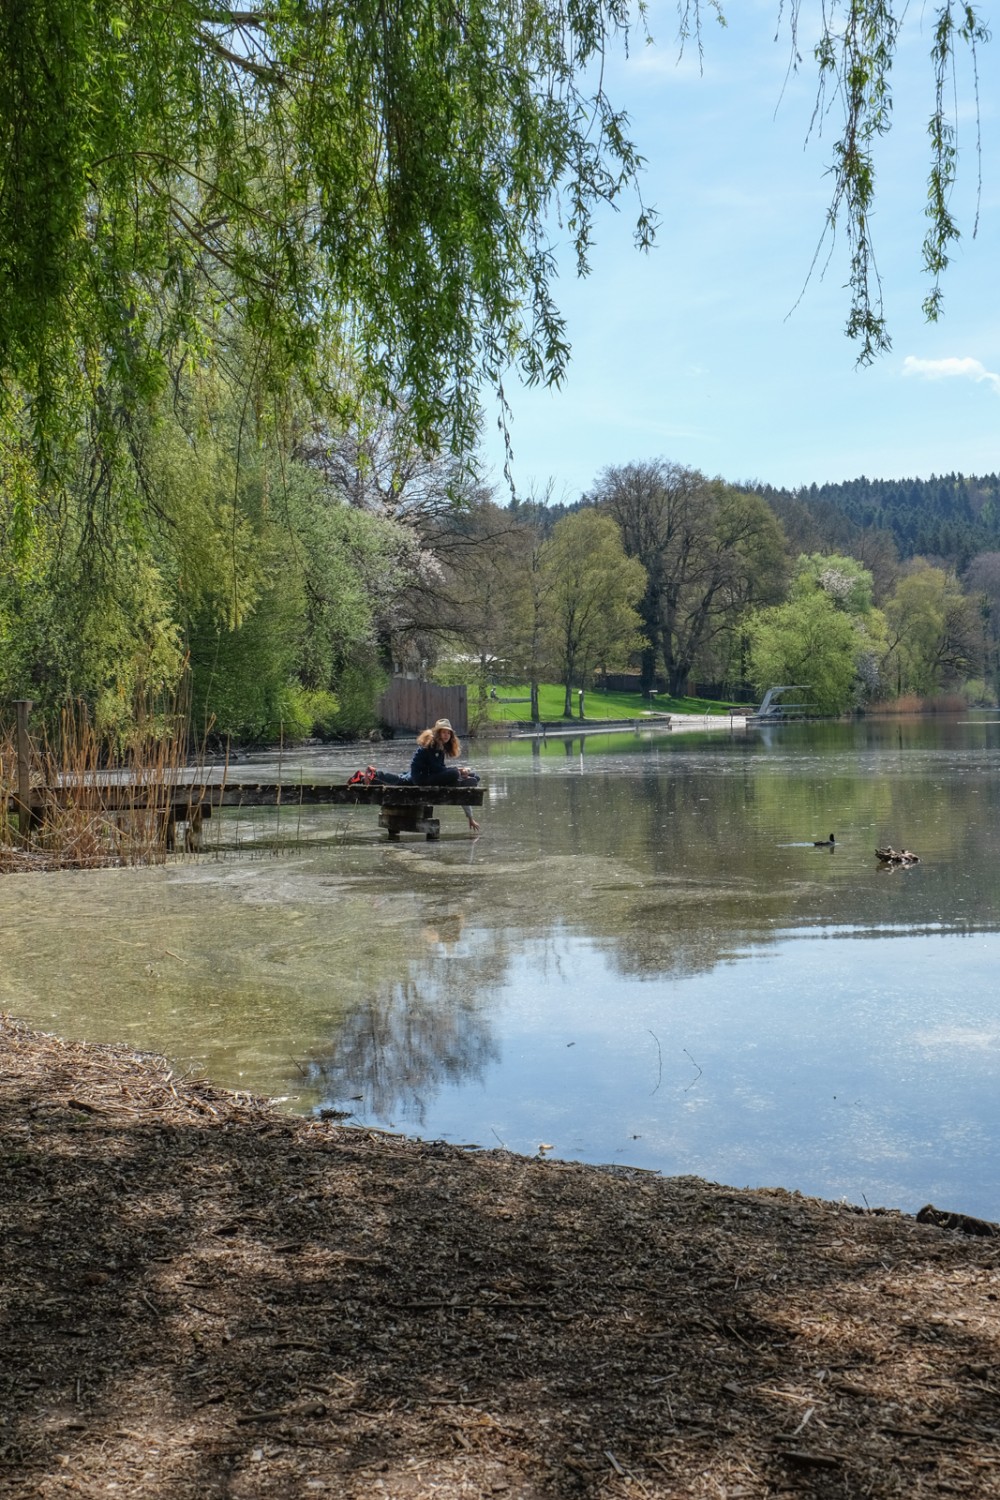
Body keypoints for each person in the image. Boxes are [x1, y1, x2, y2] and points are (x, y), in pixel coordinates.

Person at [409, 719, 480, 832]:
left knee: (475, 776)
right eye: (443, 732)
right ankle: (458, 780)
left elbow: (439, 769)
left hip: (430, 775)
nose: (446, 735)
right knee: (454, 773)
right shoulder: (432, 746)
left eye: (448, 733)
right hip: (421, 779)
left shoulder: (440, 746)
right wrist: (458, 771)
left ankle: (459, 780)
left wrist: (459, 771)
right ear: (438, 733)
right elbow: (437, 769)